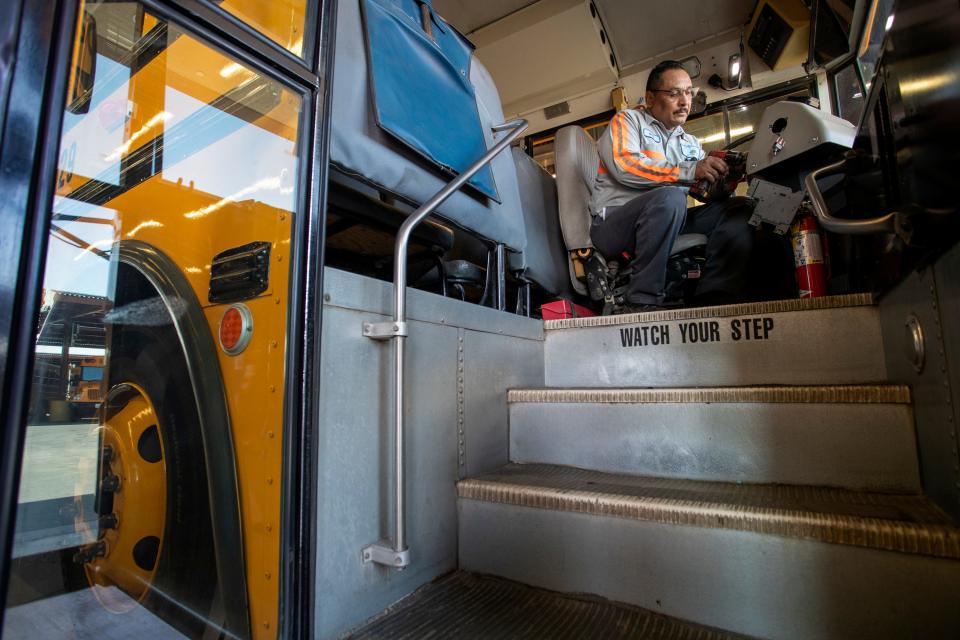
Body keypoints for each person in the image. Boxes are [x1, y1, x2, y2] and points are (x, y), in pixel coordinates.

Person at [590, 60, 754, 312]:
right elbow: (625, 166)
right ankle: (642, 300)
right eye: (674, 93)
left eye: (688, 92)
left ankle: (717, 295)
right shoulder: (628, 121)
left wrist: (725, 182)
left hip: (667, 219)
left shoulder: (689, 142)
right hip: (614, 224)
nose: (684, 101)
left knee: (740, 208)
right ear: (650, 98)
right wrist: (691, 170)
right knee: (669, 198)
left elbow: (702, 192)